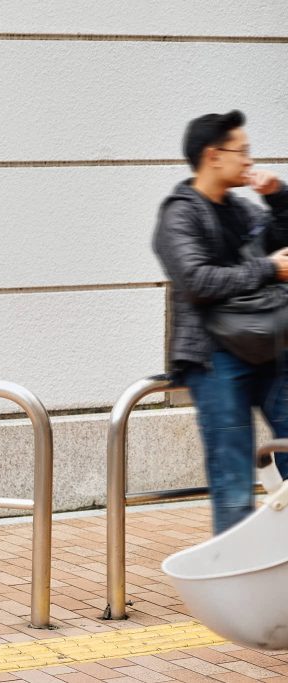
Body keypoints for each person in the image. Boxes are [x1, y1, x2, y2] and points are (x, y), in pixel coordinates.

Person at [153, 109, 288, 535]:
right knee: (232, 483)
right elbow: (197, 280)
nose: (249, 161)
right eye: (242, 152)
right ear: (213, 156)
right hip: (215, 360)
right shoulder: (179, 215)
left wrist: (278, 195)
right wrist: (267, 269)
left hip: (270, 346)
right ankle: (237, 588)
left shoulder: (242, 210)